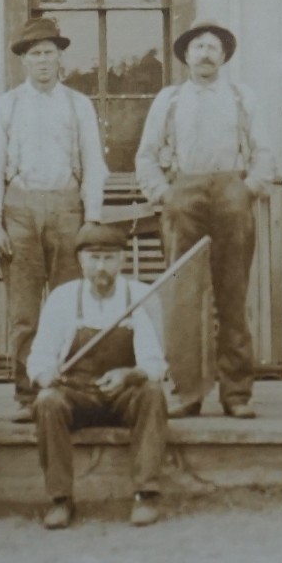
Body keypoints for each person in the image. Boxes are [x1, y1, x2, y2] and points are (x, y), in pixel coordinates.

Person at [135, 19, 276, 419]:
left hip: (232, 193)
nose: (206, 53)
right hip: (185, 194)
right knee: (184, 298)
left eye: (213, 46)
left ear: (224, 55)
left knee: (232, 293)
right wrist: (164, 193)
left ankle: (236, 394)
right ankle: (187, 392)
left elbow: (264, 151)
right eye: (198, 46)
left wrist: (248, 188)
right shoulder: (170, 99)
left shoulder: (241, 97)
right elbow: (146, 156)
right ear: (185, 56)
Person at [0, 15, 109, 415]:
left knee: (71, 303)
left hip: (68, 210)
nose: (42, 61)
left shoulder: (78, 105)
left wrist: (92, 218)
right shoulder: (8, 105)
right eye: (34, 54)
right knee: (24, 311)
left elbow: (94, 163)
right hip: (20, 211)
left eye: (48, 53)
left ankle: (70, 388)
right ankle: (26, 394)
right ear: (23, 60)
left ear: (60, 59)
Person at [28, 222, 170, 529]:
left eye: (109, 258)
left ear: (122, 260)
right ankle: (60, 500)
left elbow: (156, 364)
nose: (101, 267)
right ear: (80, 261)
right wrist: (44, 375)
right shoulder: (62, 298)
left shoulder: (138, 296)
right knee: (46, 401)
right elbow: (39, 357)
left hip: (122, 396)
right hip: (77, 395)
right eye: (93, 258)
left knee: (153, 393)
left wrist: (129, 374)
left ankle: (146, 494)